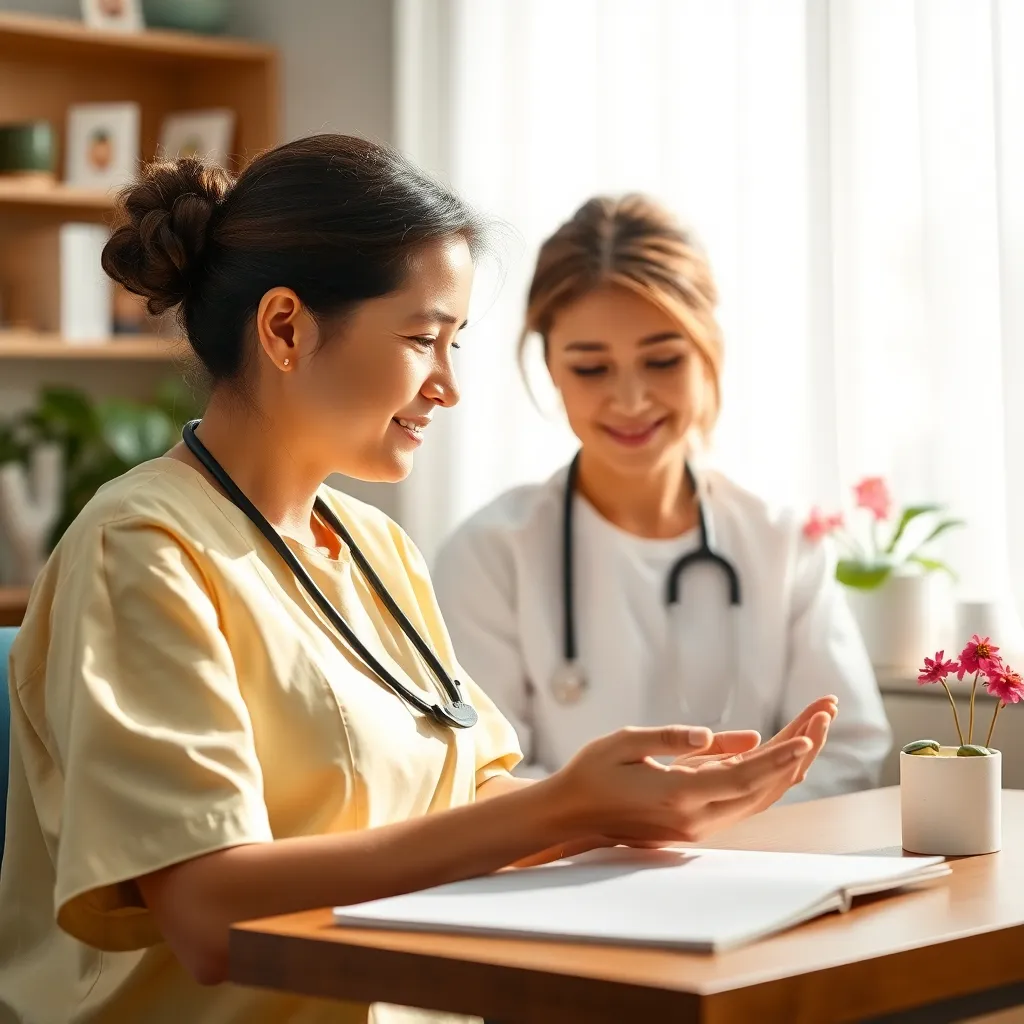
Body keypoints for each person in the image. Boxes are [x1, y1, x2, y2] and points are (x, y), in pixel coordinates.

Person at [0, 140, 836, 1024]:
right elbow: (207, 912)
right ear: (285, 328)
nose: (448, 387)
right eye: (423, 340)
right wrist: (563, 806)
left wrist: (633, 809)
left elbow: (470, 804)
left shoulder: (374, 548)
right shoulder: (142, 547)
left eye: (456, 345)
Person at [434, 194, 891, 797]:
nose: (630, 400)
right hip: (569, 881)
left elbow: (848, 756)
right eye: (592, 369)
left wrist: (707, 819)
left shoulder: (782, 540)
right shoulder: (490, 554)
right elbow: (484, 778)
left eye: (663, 361)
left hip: (762, 873)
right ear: (551, 370)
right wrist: (646, 818)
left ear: (709, 354)